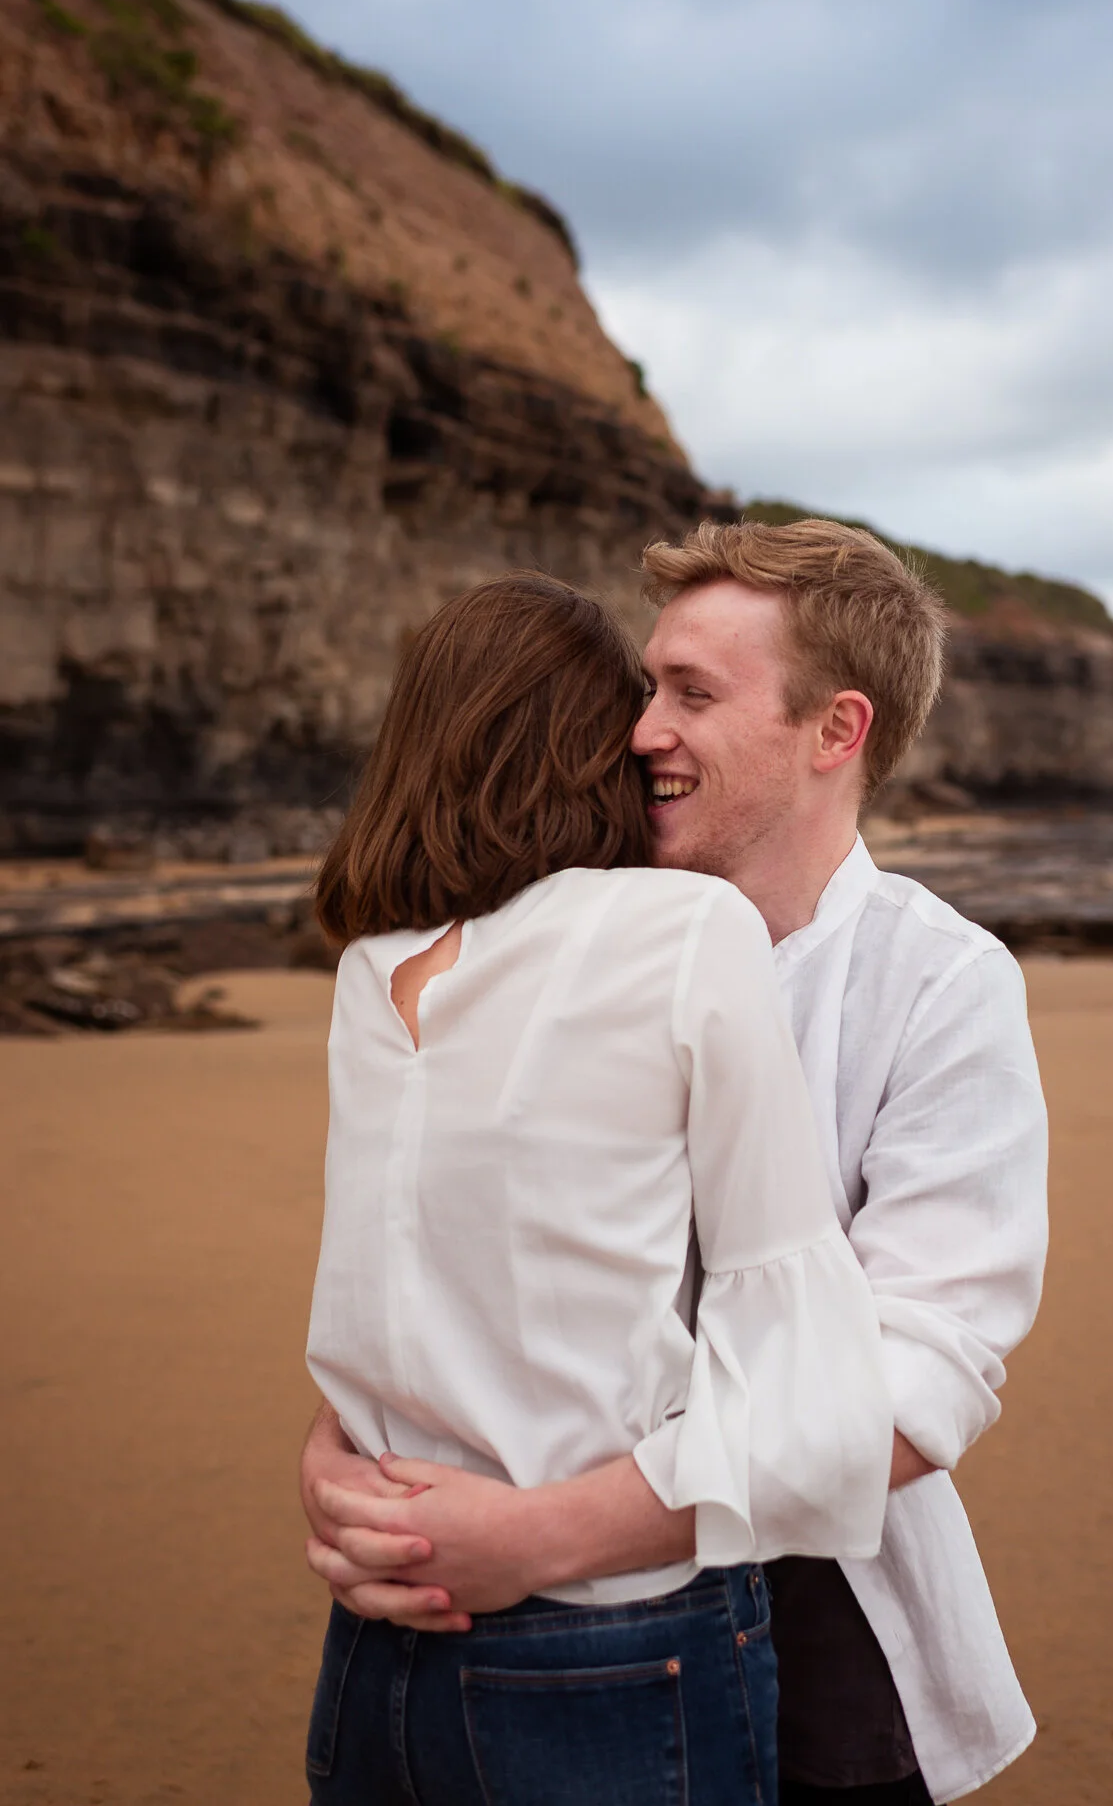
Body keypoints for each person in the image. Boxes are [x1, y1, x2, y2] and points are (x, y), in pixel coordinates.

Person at [303, 520, 1050, 1806]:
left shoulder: (939, 982)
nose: (640, 727)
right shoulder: (536, 932)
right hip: (520, 1630)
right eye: (649, 684)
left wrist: (536, 1534)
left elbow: (916, 1386)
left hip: (824, 1625)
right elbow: (451, 1259)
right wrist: (346, 1447)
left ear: (834, 730)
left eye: (692, 694)